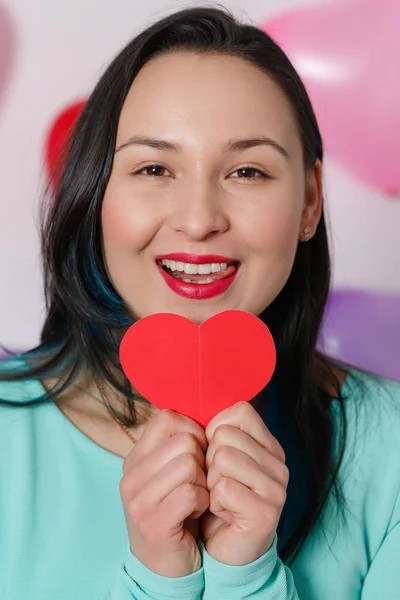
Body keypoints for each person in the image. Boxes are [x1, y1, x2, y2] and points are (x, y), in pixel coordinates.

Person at [0, 5, 399, 599]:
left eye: (247, 171)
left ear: (310, 201)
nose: (198, 220)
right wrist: (158, 579)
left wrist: (248, 573)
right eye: (155, 167)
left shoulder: (389, 446)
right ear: (94, 192)